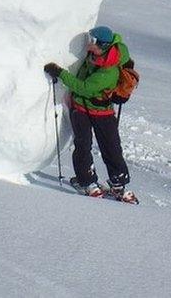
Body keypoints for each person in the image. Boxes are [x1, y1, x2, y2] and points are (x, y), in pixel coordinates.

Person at [44, 26, 135, 202]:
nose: (88, 43)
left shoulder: (108, 71)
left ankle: (91, 184)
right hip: (89, 109)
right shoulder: (101, 53)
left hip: (90, 108)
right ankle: (114, 183)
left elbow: (83, 88)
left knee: (97, 146)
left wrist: (60, 72)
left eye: (92, 41)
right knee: (100, 145)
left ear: (102, 45)